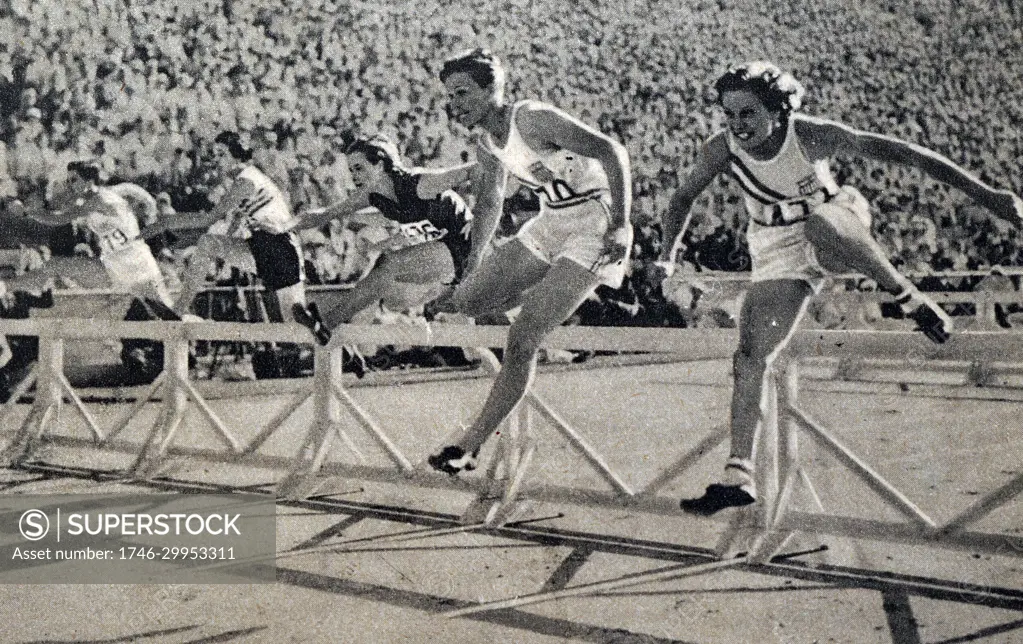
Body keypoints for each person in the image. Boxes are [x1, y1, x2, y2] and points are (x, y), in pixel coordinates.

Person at [656, 62, 1023, 515]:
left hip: (838, 224)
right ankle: (739, 474)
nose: (738, 125)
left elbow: (910, 155)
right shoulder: (722, 148)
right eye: (729, 115)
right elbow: (682, 198)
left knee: (820, 225)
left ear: (777, 110)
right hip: (774, 244)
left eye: (748, 113)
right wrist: (666, 255)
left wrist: (991, 197)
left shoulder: (811, 134)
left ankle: (907, 295)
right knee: (750, 356)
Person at [426, 49, 633, 475]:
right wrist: (473, 263)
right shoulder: (485, 140)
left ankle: (469, 445)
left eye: (463, 93)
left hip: (595, 219)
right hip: (550, 220)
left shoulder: (532, 118)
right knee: (464, 301)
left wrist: (623, 226)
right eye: (450, 96)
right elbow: (490, 201)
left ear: (492, 89)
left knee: (521, 340)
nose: (455, 104)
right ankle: (544, 304)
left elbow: (614, 152)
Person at [288, 134, 474, 343]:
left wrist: (481, 214)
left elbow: (474, 170)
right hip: (443, 263)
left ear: (380, 164)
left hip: (466, 251)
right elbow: (326, 213)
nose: (353, 176)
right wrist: (284, 225)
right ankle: (349, 341)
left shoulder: (420, 185)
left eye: (359, 168)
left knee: (389, 265)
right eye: (351, 170)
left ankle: (326, 322)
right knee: (391, 294)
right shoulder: (374, 197)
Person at [163, 131, 315, 330]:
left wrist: (169, 224)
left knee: (298, 331)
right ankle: (180, 308)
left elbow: (211, 217)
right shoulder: (244, 179)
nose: (216, 161)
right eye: (214, 155)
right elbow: (236, 219)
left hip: (281, 249)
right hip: (262, 248)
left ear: (236, 155)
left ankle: (345, 355)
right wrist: (213, 254)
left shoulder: (247, 179)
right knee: (209, 243)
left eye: (221, 154)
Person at [3, 160, 176, 318]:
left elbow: (59, 219)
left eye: (74, 180)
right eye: (68, 180)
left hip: (138, 264)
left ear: (88, 181)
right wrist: (149, 204)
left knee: (167, 313)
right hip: (112, 268)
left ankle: (198, 340)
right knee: (54, 266)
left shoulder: (98, 199)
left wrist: (27, 212)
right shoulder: (101, 196)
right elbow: (133, 190)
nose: (70, 185)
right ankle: (4, 287)